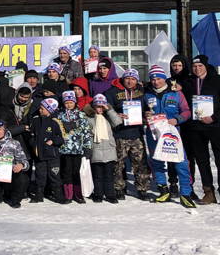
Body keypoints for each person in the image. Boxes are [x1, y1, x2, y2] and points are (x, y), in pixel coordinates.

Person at [143, 65, 196, 208]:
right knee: (157, 161)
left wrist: (177, 119)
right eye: (153, 79)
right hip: (154, 133)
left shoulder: (176, 93)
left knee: (181, 161)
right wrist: (145, 115)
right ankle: (163, 190)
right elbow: (140, 113)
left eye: (159, 79)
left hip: (172, 133)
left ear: (164, 78)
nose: (156, 82)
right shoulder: (146, 94)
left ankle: (185, 193)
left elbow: (186, 112)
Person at [105, 68, 151, 201]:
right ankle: (119, 188)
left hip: (136, 133)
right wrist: (116, 115)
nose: (130, 81)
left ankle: (142, 189)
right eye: (127, 78)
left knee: (140, 163)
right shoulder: (112, 92)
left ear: (137, 80)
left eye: (133, 79)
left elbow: (147, 106)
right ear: (123, 78)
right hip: (120, 133)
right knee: (118, 163)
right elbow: (105, 108)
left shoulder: (141, 91)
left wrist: (147, 113)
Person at [182, 54, 220, 204]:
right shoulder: (188, 82)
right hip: (195, 127)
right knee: (202, 160)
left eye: (200, 66)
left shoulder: (217, 81)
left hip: (215, 126)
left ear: (206, 66)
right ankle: (208, 191)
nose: (197, 69)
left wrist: (214, 118)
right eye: (194, 66)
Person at [83, 95, 121, 204]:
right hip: (96, 148)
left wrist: (109, 110)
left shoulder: (108, 117)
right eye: (98, 106)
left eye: (102, 107)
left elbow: (118, 121)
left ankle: (110, 194)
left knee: (108, 175)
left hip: (109, 149)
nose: (100, 109)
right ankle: (98, 193)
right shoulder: (89, 118)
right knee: (98, 174)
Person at [57, 91, 92, 204]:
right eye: (66, 103)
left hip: (78, 149)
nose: (69, 105)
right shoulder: (59, 115)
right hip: (65, 149)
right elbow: (57, 130)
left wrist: (88, 147)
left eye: (71, 102)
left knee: (77, 172)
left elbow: (86, 132)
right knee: (66, 172)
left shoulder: (81, 115)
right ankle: (68, 194)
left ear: (75, 102)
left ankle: (78, 194)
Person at [29, 98, 66, 204]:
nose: (40, 110)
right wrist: (34, 144)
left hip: (52, 155)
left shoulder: (55, 121)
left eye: (42, 109)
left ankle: (59, 196)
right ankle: (38, 196)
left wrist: (53, 141)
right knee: (40, 176)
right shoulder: (36, 120)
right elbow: (31, 134)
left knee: (54, 175)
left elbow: (62, 137)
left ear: (49, 110)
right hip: (39, 154)